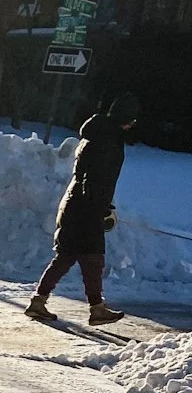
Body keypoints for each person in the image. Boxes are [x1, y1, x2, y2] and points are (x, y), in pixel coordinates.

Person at [26, 92, 139, 326]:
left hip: (77, 204)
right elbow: (96, 178)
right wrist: (97, 207)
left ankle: (40, 302)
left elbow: (91, 176)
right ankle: (95, 309)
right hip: (85, 209)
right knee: (92, 259)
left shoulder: (98, 134)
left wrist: (102, 204)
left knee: (68, 256)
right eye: (132, 119)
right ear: (125, 118)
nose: (132, 125)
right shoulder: (107, 140)